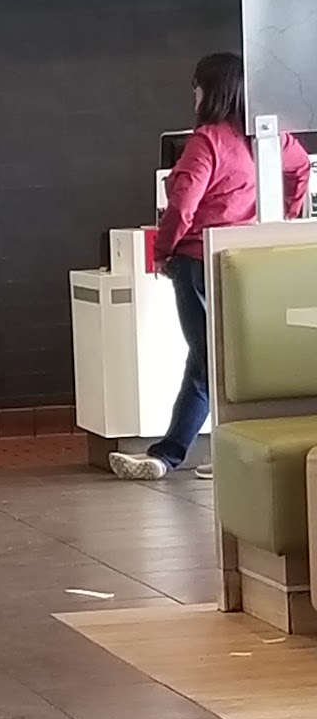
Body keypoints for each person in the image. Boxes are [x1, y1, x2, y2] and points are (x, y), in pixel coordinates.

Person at [111, 53, 311, 483]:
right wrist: (283, 217)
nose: (194, 95)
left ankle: (187, 454)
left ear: (212, 90)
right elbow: (300, 170)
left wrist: (163, 249)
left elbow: (183, 205)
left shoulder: (207, 141)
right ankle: (183, 453)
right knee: (218, 359)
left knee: (209, 360)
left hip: (197, 261)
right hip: (247, 264)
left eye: (197, 87)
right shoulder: (268, 137)